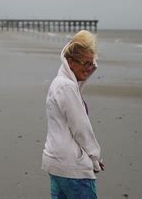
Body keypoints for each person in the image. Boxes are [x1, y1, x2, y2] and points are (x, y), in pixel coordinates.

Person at [42, 30, 104, 199]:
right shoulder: (66, 86)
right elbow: (81, 128)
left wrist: (88, 61)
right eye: (85, 63)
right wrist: (94, 158)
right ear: (70, 61)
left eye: (91, 64)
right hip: (71, 167)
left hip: (56, 162)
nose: (89, 68)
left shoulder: (61, 83)